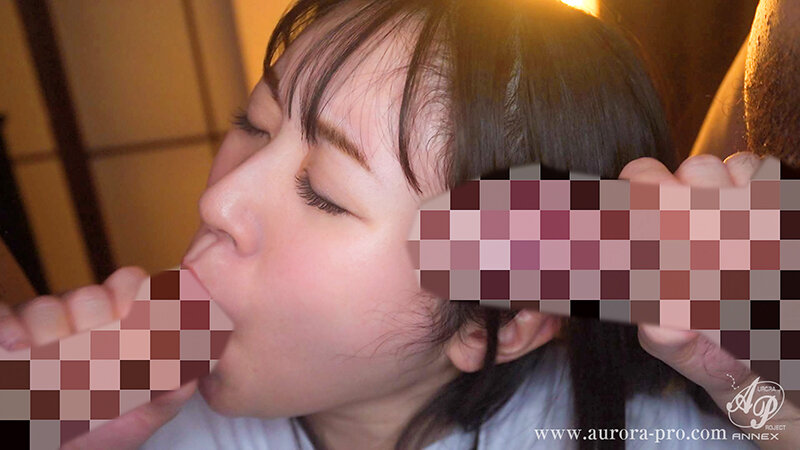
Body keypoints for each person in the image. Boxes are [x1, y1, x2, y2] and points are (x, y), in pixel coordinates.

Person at [0, 0, 796, 448]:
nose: (219, 201)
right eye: (251, 126)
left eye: (323, 193)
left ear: (494, 322)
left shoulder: (638, 435)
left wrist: (765, 403)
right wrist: (21, 418)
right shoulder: (125, 422)